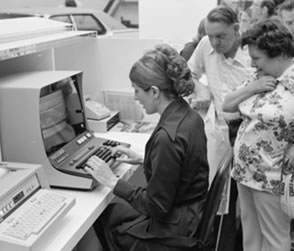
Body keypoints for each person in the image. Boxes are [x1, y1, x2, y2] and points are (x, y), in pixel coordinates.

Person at [83, 44, 209, 251]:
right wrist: (146, 158)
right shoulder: (189, 116)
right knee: (112, 212)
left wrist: (112, 181)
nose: (134, 97)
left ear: (155, 91)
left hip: (175, 230)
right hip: (191, 216)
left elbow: (157, 208)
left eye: (137, 90)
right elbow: (184, 165)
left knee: (101, 220)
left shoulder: (167, 138)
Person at [222, 19, 294, 251]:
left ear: (278, 54)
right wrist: (253, 87)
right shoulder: (261, 77)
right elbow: (227, 105)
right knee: (250, 235)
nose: (252, 63)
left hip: (271, 177)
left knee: (274, 239)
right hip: (244, 171)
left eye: (257, 58)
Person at [188, 5, 252, 251]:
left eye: (220, 37)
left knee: (248, 202)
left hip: (249, 130)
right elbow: (189, 73)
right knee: (220, 197)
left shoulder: (250, 54)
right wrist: (201, 87)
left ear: (236, 30)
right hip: (221, 129)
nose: (214, 42)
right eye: (210, 35)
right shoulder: (205, 45)